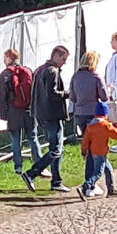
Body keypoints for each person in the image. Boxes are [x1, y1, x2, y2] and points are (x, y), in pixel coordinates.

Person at [19, 45, 72, 192]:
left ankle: (57, 181)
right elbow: (53, 94)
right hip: (52, 114)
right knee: (56, 149)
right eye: (63, 58)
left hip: (41, 113)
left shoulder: (40, 69)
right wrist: (68, 94)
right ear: (56, 55)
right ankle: (32, 173)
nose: (64, 62)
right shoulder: (52, 71)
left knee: (57, 149)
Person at [0, 48, 40, 175]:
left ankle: (18, 166)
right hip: (28, 109)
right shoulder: (27, 71)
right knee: (33, 137)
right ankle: (39, 163)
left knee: (16, 140)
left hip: (13, 110)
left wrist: (3, 114)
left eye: (5, 57)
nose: (4, 60)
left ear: (10, 58)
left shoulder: (5, 74)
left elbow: (2, 95)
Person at [77, 102, 117, 199]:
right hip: (101, 152)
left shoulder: (91, 125)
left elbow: (85, 140)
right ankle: (86, 185)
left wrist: (84, 151)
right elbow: (116, 133)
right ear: (106, 113)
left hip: (93, 152)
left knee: (109, 169)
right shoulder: (105, 125)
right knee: (98, 173)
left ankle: (111, 189)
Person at [68, 50, 107, 139]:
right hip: (94, 111)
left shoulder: (75, 76)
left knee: (85, 137)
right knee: (95, 138)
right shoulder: (97, 77)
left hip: (79, 112)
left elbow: (72, 97)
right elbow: (104, 97)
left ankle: (86, 151)